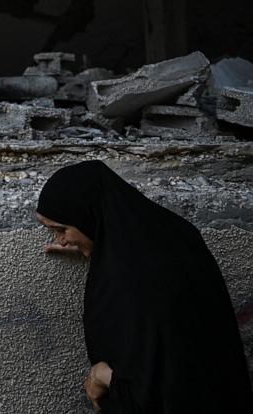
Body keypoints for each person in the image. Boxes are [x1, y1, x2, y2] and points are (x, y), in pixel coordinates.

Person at [36, 160, 253, 413]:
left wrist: (102, 376)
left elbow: (159, 388)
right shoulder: (175, 236)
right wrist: (92, 245)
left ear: (89, 216)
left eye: (62, 229)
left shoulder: (135, 284)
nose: (59, 240)